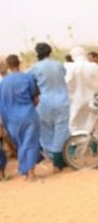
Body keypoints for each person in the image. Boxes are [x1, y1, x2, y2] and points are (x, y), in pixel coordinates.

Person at [28, 42, 71, 172]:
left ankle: (54, 159)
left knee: (46, 132)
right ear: (50, 52)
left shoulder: (34, 68)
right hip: (62, 101)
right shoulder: (58, 65)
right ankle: (60, 160)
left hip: (44, 103)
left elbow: (31, 84)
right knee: (61, 130)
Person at [0, 55, 43, 181]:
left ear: (8, 66)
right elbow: (36, 99)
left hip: (11, 119)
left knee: (21, 144)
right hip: (28, 114)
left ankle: (25, 171)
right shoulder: (28, 78)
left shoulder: (3, 83)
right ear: (19, 63)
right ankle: (30, 174)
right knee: (30, 143)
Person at [65, 46, 98, 133]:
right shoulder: (95, 67)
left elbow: (67, 83)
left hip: (76, 101)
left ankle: (77, 145)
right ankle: (92, 145)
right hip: (93, 101)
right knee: (92, 125)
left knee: (75, 124)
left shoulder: (71, 67)